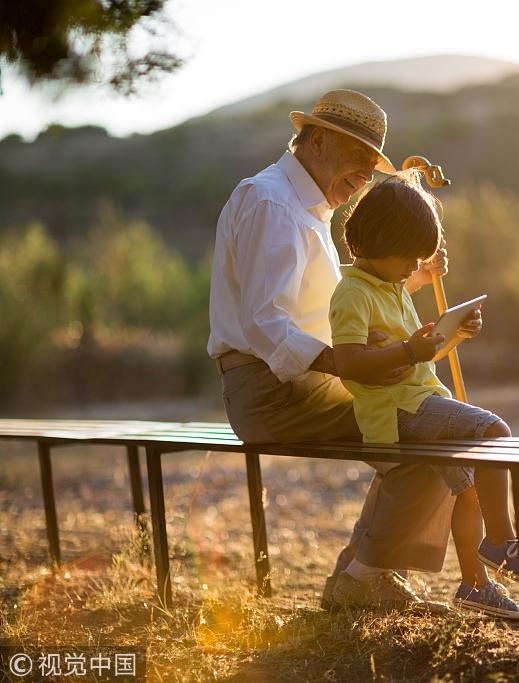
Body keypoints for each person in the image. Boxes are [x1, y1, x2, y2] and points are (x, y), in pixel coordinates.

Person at [207, 89, 457, 612]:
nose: (366, 177)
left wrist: (405, 279)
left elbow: (331, 309)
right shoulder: (272, 202)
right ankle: (362, 579)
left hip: (295, 384)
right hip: (272, 392)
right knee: (429, 430)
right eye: (360, 160)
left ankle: (363, 574)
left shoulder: (304, 205)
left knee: (426, 427)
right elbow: (266, 322)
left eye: (373, 166)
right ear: (317, 140)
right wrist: (343, 363)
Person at [327, 171, 519, 619]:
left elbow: (417, 358)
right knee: (492, 429)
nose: (414, 267)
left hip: (416, 400)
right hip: (395, 412)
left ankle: (474, 583)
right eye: (407, 257)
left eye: (418, 258)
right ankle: (501, 540)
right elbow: (348, 363)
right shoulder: (352, 294)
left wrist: (452, 336)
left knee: (467, 488)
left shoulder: (391, 288)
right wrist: (412, 348)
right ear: (373, 243)